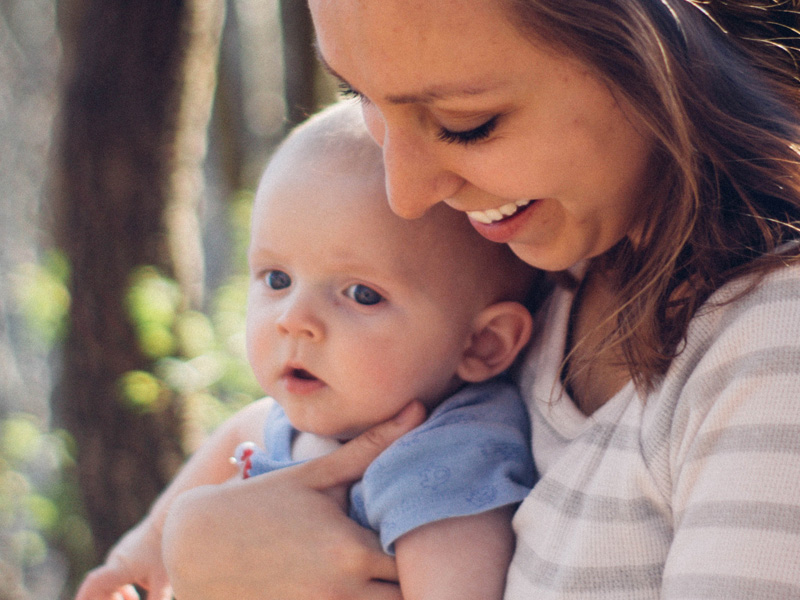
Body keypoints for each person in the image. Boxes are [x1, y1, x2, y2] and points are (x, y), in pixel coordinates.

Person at [158, 1, 800, 599]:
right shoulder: (543, 264)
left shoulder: (772, 353)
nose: (405, 196)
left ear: (659, 50)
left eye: (465, 124)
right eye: (361, 96)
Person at [75, 101, 544, 600]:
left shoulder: (445, 463)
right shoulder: (294, 420)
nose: (293, 319)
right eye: (277, 279)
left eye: (361, 294)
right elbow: (238, 430)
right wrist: (142, 552)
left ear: (483, 344)